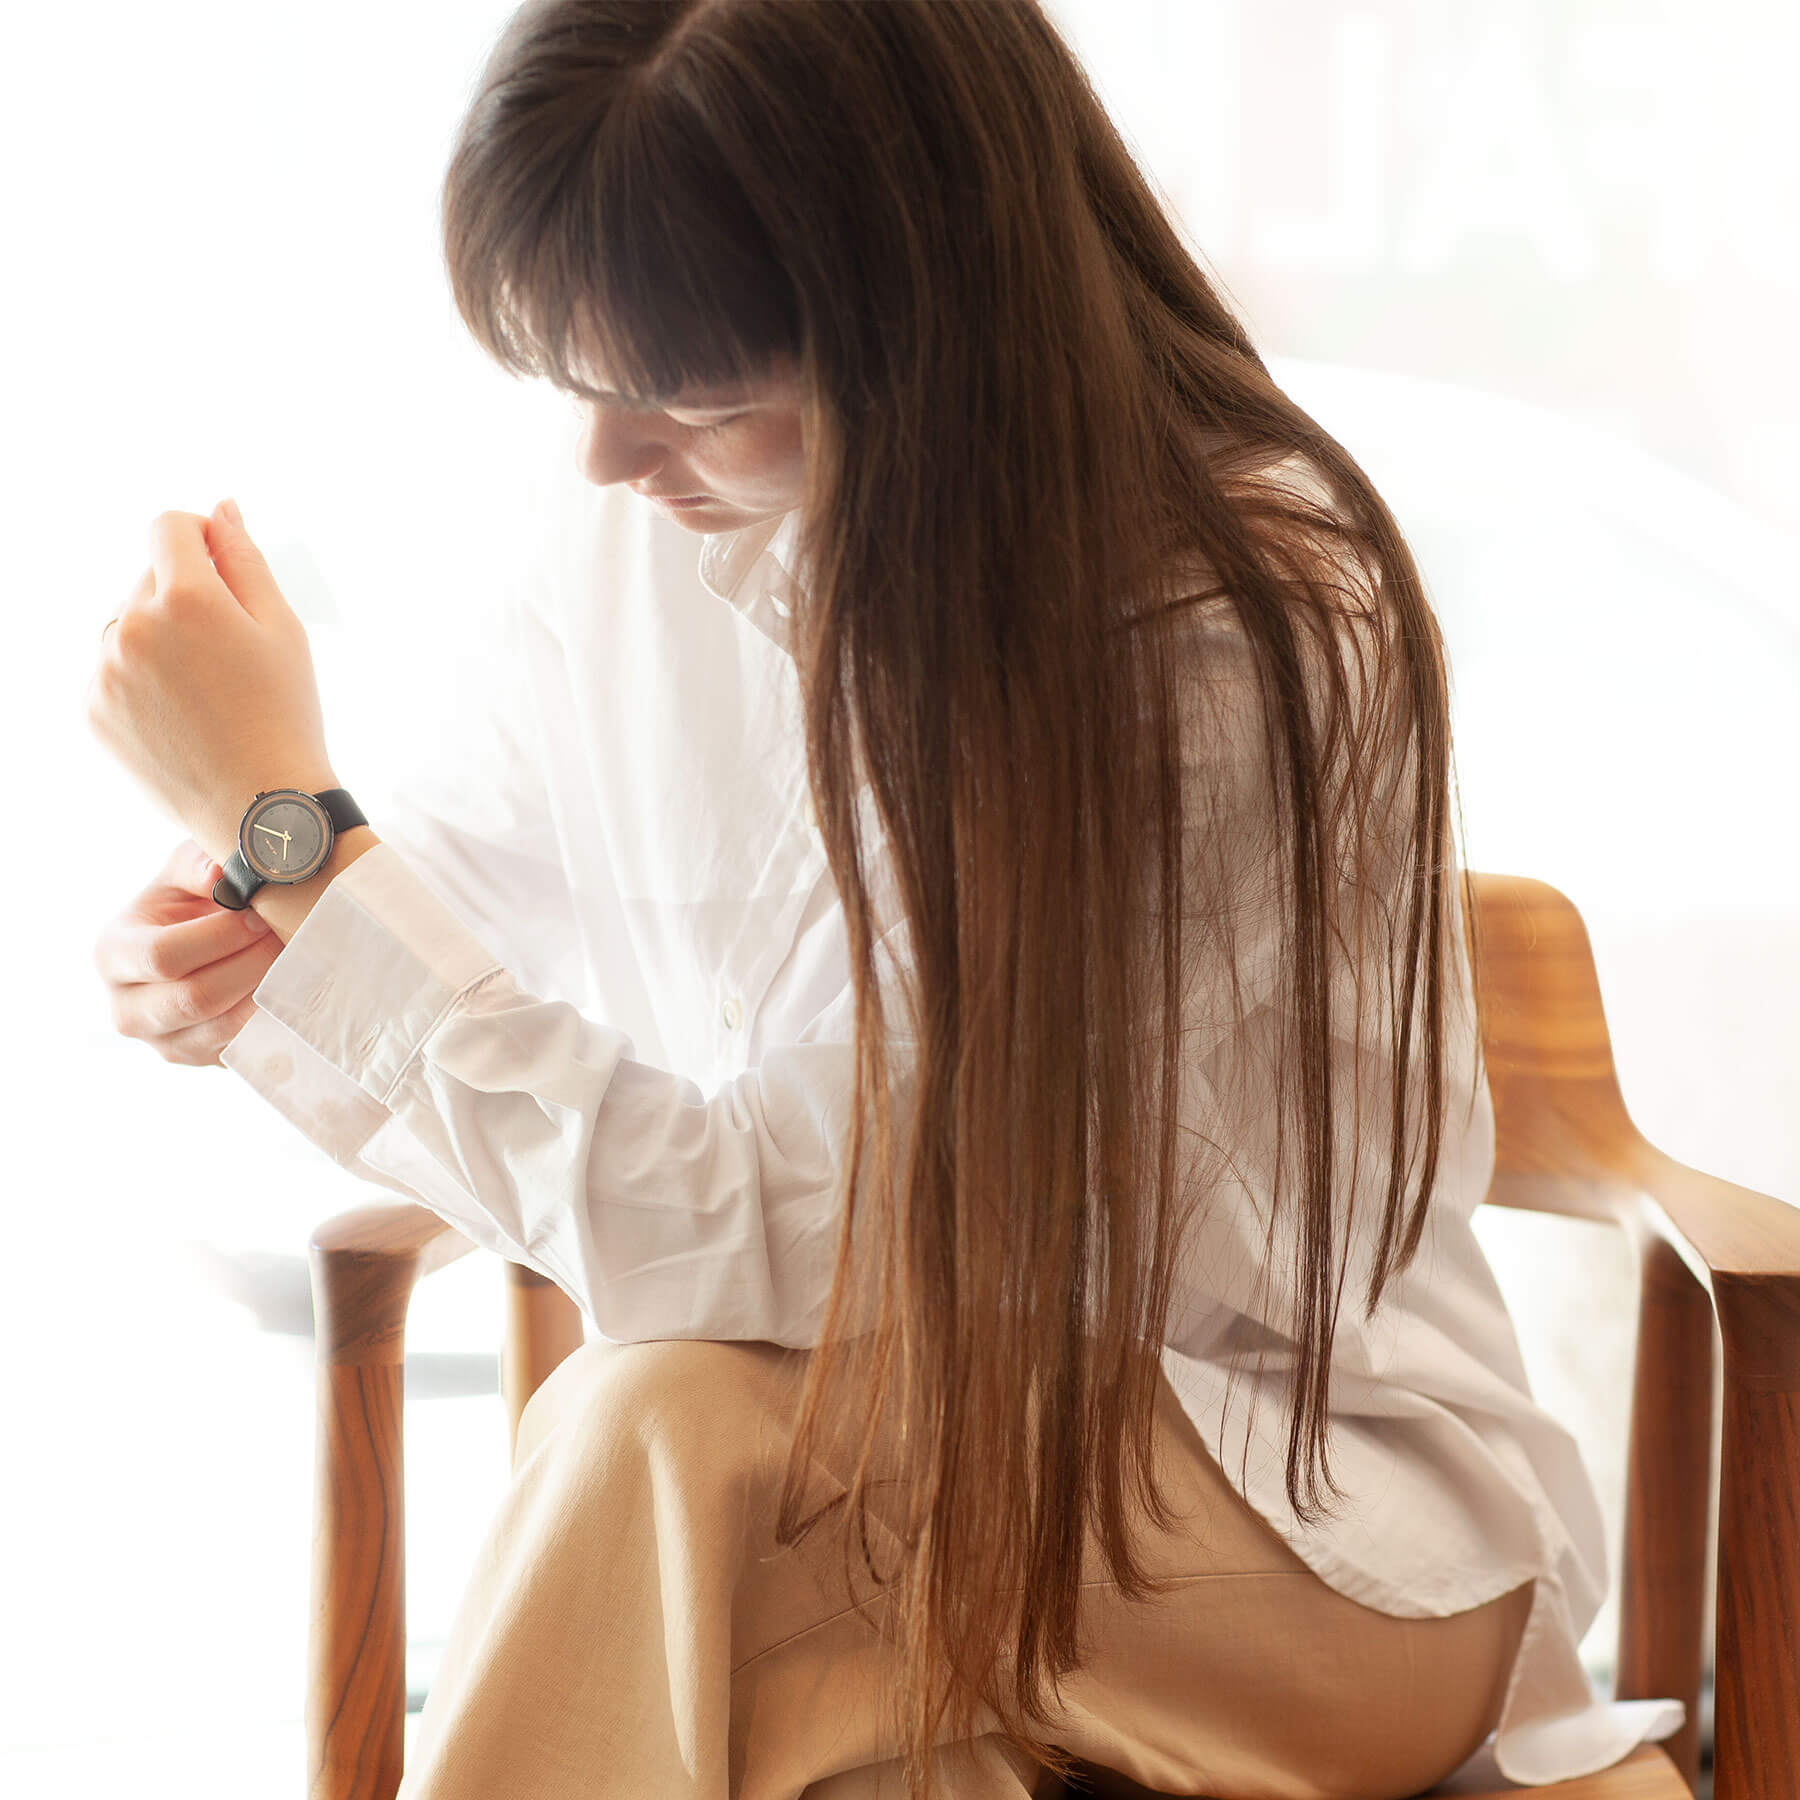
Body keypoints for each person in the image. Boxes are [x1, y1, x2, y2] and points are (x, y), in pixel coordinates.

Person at [92, 2, 1685, 1794]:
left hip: (1307, 1523)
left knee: (663, 1427)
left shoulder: (1227, 635)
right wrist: (253, 903)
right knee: (864, 1743)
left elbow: (770, 1247)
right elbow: (466, 877)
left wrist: (295, 832)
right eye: (582, 385)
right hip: (864, 1499)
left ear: (932, 340)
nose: (611, 460)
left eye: (693, 396)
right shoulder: (639, 516)